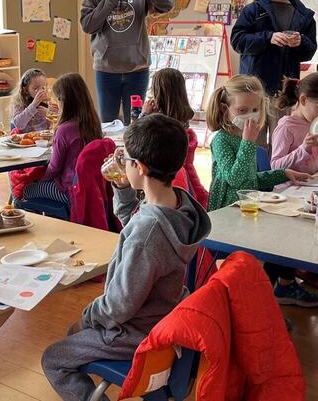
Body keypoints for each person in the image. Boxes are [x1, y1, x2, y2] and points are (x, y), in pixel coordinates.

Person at [41, 114, 210, 401]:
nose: (122, 162)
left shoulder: (148, 234)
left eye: (126, 158)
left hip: (136, 331)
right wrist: (122, 188)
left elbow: (120, 305)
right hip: (165, 315)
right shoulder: (179, 204)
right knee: (74, 335)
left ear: (139, 167)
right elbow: (135, 222)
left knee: (54, 358)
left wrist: (88, 317)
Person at [205, 75, 318, 308]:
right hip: (226, 217)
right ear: (225, 108)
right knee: (273, 242)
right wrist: (249, 142)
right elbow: (236, 180)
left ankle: (272, 295)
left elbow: (250, 180)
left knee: (289, 229)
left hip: (246, 211)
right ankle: (256, 307)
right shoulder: (221, 140)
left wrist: (283, 173)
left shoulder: (244, 139)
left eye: (255, 109)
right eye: (242, 110)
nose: (250, 115)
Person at [230, 0, 318, 149]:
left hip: (285, 91)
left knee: (282, 145)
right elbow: (237, 41)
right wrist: (267, 37)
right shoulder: (253, 10)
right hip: (255, 90)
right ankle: (252, 180)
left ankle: (279, 180)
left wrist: (300, 41)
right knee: (253, 146)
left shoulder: (304, 15)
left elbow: (310, 50)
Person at [81, 0, 175, 124]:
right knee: (107, 123)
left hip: (137, 69)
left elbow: (167, 5)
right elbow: (88, 25)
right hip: (107, 69)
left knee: (135, 123)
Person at [21, 73, 103, 204]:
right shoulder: (93, 122)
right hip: (91, 188)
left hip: (68, 190)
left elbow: (54, 167)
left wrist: (41, 180)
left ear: (63, 100)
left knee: (27, 190)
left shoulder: (65, 129)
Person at [144, 68, 208, 208]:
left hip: (165, 177)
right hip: (186, 173)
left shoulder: (160, 122)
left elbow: (138, 138)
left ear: (158, 92)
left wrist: (144, 115)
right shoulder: (182, 116)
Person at [270, 73, 318, 175]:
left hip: (312, 183)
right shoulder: (286, 128)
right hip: (291, 188)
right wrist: (303, 148)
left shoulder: (314, 123)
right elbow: (275, 167)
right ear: (303, 100)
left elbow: (309, 164)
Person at [9, 68, 51, 133]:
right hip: (28, 140)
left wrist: (48, 114)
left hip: (45, 139)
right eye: (36, 88)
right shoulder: (20, 103)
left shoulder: (48, 102)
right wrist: (34, 104)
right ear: (25, 90)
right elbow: (18, 125)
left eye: (43, 87)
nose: (41, 91)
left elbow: (57, 123)